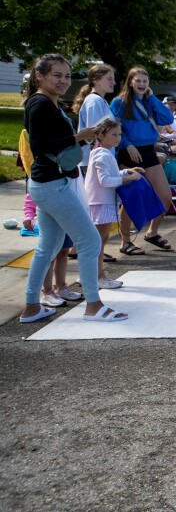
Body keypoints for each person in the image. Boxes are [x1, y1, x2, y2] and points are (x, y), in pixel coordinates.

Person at [20, 54, 126, 323]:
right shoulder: (40, 104)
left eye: (67, 76)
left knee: (49, 245)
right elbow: (41, 145)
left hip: (48, 183)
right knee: (89, 240)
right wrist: (78, 136)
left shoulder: (48, 103)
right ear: (40, 76)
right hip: (52, 184)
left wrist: (78, 138)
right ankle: (93, 305)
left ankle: (31, 306)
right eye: (57, 75)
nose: (63, 80)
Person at [110, 66, 175, 254]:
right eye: (138, 80)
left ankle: (152, 233)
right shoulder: (119, 102)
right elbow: (113, 127)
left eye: (145, 81)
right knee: (131, 198)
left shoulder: (149, 101)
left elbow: (167, 117)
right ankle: (125, 242)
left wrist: (152, 97)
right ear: (130, 82)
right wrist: (126, 144)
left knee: (165, 196)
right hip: (129, 153)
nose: (141, 84)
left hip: (148, 151)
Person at [85, 118, 144, 288]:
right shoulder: (102, 154)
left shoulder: (103, 152)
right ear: (101, 136)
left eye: (119, 134)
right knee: (99, 241)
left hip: (101, 201)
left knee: (98, 241)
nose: (118, 138)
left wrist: (126, 171)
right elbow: (105, 181)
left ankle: (92, 275)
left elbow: (110, 174)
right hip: (100, 202)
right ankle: (97, 276)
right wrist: (127, 178)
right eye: (113, 134)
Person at [73, 64, 117, 175]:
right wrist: (100, 159)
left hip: (103, 158)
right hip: (95, 160)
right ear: (97, 81)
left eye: (113, 79)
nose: (114, 83)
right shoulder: (94, 101)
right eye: (109, 79)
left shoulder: (101, 101)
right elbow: (94, 134)